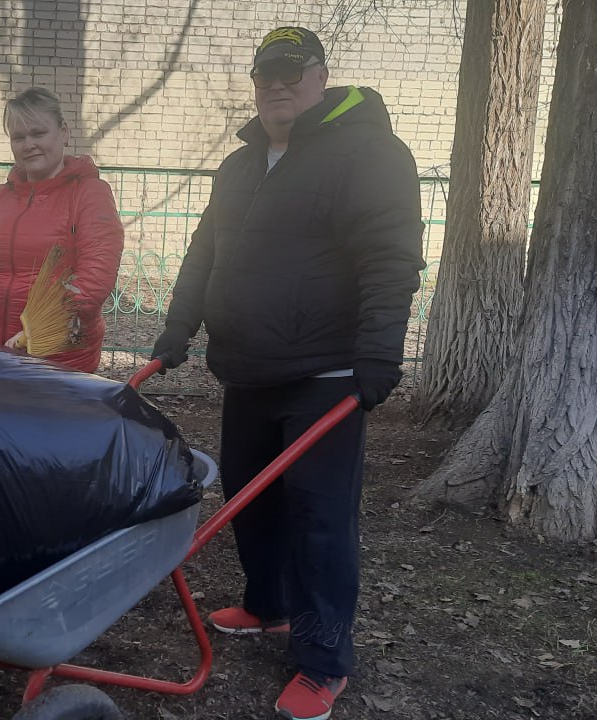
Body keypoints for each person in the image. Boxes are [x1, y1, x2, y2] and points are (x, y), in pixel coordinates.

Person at [151, 27, 425, 720]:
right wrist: (179, 327)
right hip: (248, 367)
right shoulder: (240, 165)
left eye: (291, 71)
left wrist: (380, 353)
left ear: (321, 77)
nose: (275, 84)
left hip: (325, 372)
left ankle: (323, 658)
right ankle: (268, 605)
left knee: (318, 518)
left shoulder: (368, 153)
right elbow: (203, 253)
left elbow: (390, 257)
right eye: (264, 73)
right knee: (250, 496)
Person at [0, 87, 123, 372]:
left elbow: (94, 279)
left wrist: (32, 334)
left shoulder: (89, 194)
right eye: (18, 137)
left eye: (38, 133)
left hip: (59, 360)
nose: (28, 144)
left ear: (64, 132)